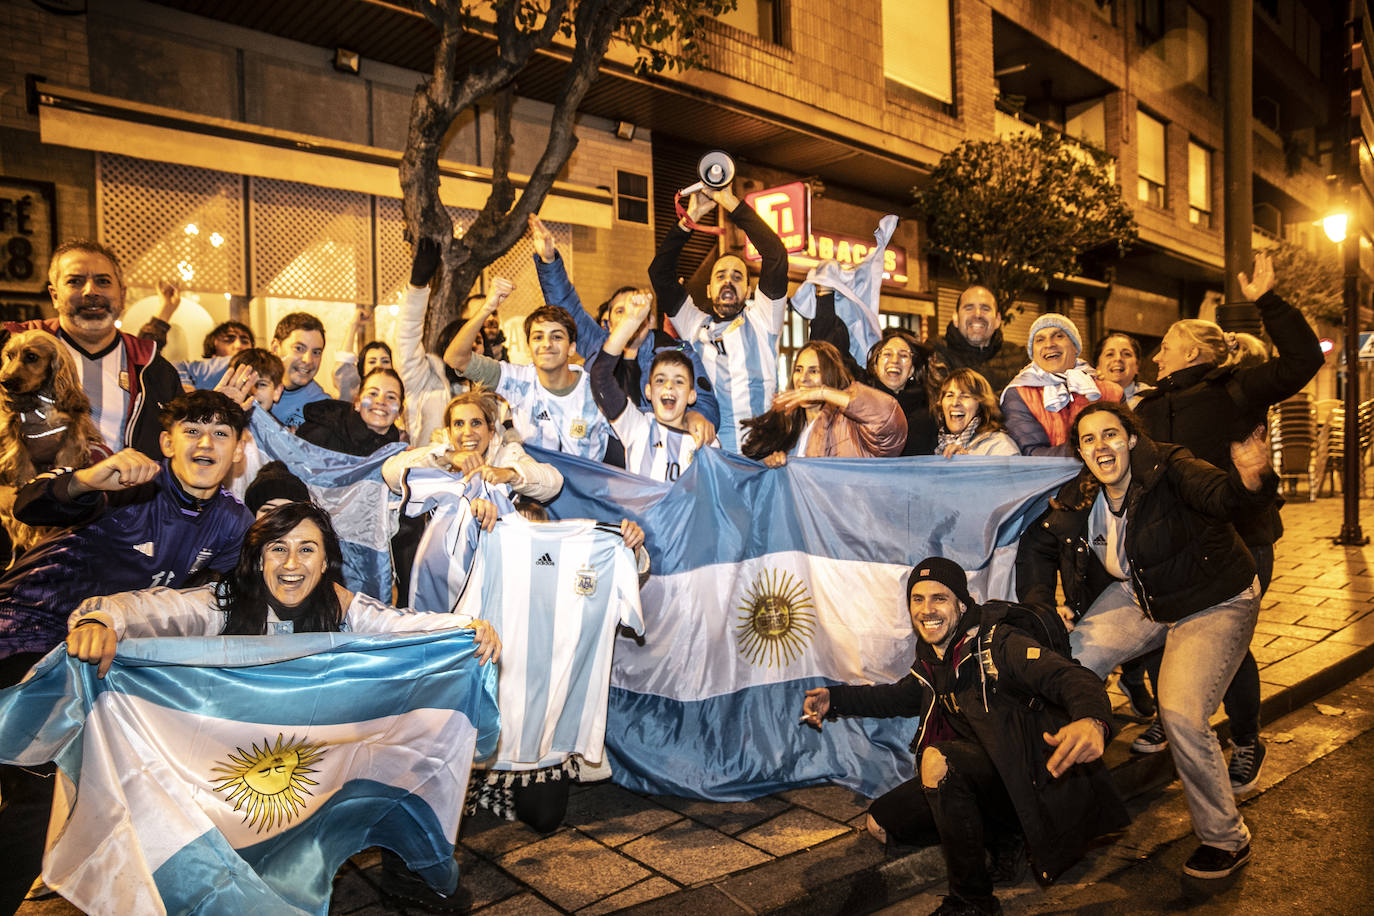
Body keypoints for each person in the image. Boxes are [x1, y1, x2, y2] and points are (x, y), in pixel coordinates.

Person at [62, 500, 500, 913]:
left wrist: (465, 631)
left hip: (310, 757)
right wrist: (101, 619)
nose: (292, 564)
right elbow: (151, 609)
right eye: (279, 549)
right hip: (231, 762)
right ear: (258, 559)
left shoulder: (340, 604)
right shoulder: (224, 599)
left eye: (307, 549)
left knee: (406, 742)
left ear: (325, 561)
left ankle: (408, 871)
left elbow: (402, 626)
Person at [0, 388, 254, 909]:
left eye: (221, 433)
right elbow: (31, 503)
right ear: (167, 442)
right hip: (20, 632)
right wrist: (86, 480)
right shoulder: (129, 484)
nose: (206, 442)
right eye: (193, 431)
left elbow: (223, 603)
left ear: (239, 451)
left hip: (92, 658)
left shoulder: (233, 522)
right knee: (34, 788)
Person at [1015, 403, 1277, 882]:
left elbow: (1224, 499)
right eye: (1089, 439)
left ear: (1132, 439)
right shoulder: (1081, 491)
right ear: (1080, 451)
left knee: (1180, 712)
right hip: (1143, 593)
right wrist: (1041, 604)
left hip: (1214, 599)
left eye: (1111, 434)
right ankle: (1056, 805)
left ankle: (1225, 838)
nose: (1101, 446)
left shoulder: (1171, 467)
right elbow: (1039, 544)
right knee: (1063, 664)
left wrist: (1250, 479)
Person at [801, 557, 1127, 916]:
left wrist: (1092, 720)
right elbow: (897, 697)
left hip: (1024, 777)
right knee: (880, 823)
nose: (927, 610)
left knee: (937, 761)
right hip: (980, 778)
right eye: (918, 599)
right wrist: (836, 699)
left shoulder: (1000, 645)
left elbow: (1072, 679)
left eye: (939, 598)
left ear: (961, 603)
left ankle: (973, 902)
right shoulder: (933, 659)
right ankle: (1003, 838)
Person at [1131, 251, 1323, 789]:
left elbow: (1305, 360)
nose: (1157, 355)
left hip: (1243, 539)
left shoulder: (1235, 389)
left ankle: (1245, 738)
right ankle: (1179, 721)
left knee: (1231, 646)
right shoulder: (1145, 409)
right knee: (1167, 637)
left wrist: (1269, 301)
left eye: (1164, 345)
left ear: (1191, 349)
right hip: (1178, 548)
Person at [528, 213, 720, 445]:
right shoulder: (598, 346)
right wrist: (549, 261)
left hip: (653, 454)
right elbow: (566, 305)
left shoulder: (676, 352)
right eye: (621, 312)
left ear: (649, 320)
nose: (631, 316)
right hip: (603, 453)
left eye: (637, 309)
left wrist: (696, 415)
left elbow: (706, 402)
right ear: (608, 323)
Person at [2, 239, 183, 460]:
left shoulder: (153, 367)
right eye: (75, 281)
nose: (90, 291)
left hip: (133, 492)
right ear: (55, 295)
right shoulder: (11, 349)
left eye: (103, 281)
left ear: (123, 294)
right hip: (39, 491)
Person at [648, 186, 790, 452]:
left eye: (737, 277)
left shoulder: (763, 320)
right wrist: (691, 217)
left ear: (748, 291)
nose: (728, 280)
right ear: (709, 289)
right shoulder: (693, 323)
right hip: (711, 459)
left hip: (760, 459)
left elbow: (776, 255)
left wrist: (729, 201)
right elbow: (659, 273)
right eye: (720, 275)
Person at [446, 280, 614, 461]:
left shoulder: (598, 390)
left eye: (557, 336)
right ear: (529, 346)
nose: (547, 344)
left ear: (572, 348)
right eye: (538, 337)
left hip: (586, 488)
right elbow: (455, 358)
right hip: (533, 486)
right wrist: (488, 308)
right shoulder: (518, 380)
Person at [589, 294, 716, 481]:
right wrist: (629, 325)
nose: (669, 386)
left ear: (691, 396)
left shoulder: (706, 439)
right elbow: (600, 378)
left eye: (679, 381)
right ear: (648, 391)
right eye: (660, 380)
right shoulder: (638, 427)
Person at [740, 340, 906, 466]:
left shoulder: (850, 425)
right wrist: (770, 463)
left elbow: (888, 419)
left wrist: (823, 392)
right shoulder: (786, 425)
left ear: (830, 376)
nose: (803, 378)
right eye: (799, 369)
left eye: (814, 371)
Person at [382, 390, 563, 504]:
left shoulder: (507, 453)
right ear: (449, 432)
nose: (467, 432)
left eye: (476, 423)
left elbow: (554, 481)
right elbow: (390, 473)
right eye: (459, 424)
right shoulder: (437, 455)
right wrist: (447, 457)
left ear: (491, 431)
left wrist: (509, 474)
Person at [1001, 314, 1122, 456]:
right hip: (1050, 477)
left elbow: (1123, 441)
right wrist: (1088, 451)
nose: (1049, 344)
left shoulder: (1111, 391)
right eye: (1040, 340)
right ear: (1032, 353)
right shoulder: (1017, 394)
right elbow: (1032, 453)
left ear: (1075, 347)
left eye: (1058, 336)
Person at [139, 280, 255, 390]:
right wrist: (165, 311)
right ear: (213, 350)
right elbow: (144, 357)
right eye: (229, 340)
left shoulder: (259, 379)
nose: (239, 346)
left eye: (245, 341)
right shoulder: (187, 371)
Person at [933, 286, 1024, 394]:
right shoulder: (937, 352)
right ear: (956, 318)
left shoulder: (1019, 357)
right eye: (969, 308)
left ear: (997, 320)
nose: (977, 314)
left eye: (985, 308)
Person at [296, 367, 406, 456]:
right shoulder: (322, 433)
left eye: (391, 397)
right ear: (357, 403)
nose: (381, 401)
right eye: (373, 393)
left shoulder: (396, 453)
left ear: (399, 412)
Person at [935, 369, 1019, 457]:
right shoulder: (941, 446)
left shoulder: (1000, 446)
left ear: (981, 405)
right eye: (950, 395)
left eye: (965, 396)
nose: (955, 403)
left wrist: (968, 464)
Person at [268, 312, 328, 429]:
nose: (308, 360)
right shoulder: (250, 388)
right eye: (299, 349)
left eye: (316, 352)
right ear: (275, 348)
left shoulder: (322, 407)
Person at [1093, 332, 1152, 407]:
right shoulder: (1086, 398)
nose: (1118, 358)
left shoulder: (1151, 399)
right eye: (1110, 354)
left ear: (1137, 366)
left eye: (1126, 354)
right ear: (1098, 366)